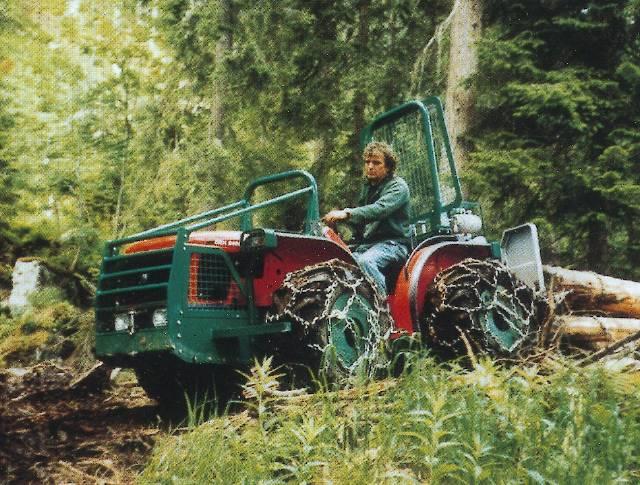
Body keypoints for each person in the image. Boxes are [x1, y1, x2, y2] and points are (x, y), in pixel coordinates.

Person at [323, 141, 411, 296]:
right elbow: (363, 223)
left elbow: (379, 209)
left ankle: (383, 311)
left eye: (376, 163)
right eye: (367, 162)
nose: (370, 166)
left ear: (388, 166)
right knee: (340, 263)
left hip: (393, 244)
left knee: (365, 262)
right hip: (370, 245)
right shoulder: (368, 189)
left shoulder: (398, 187)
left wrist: (346, 213)